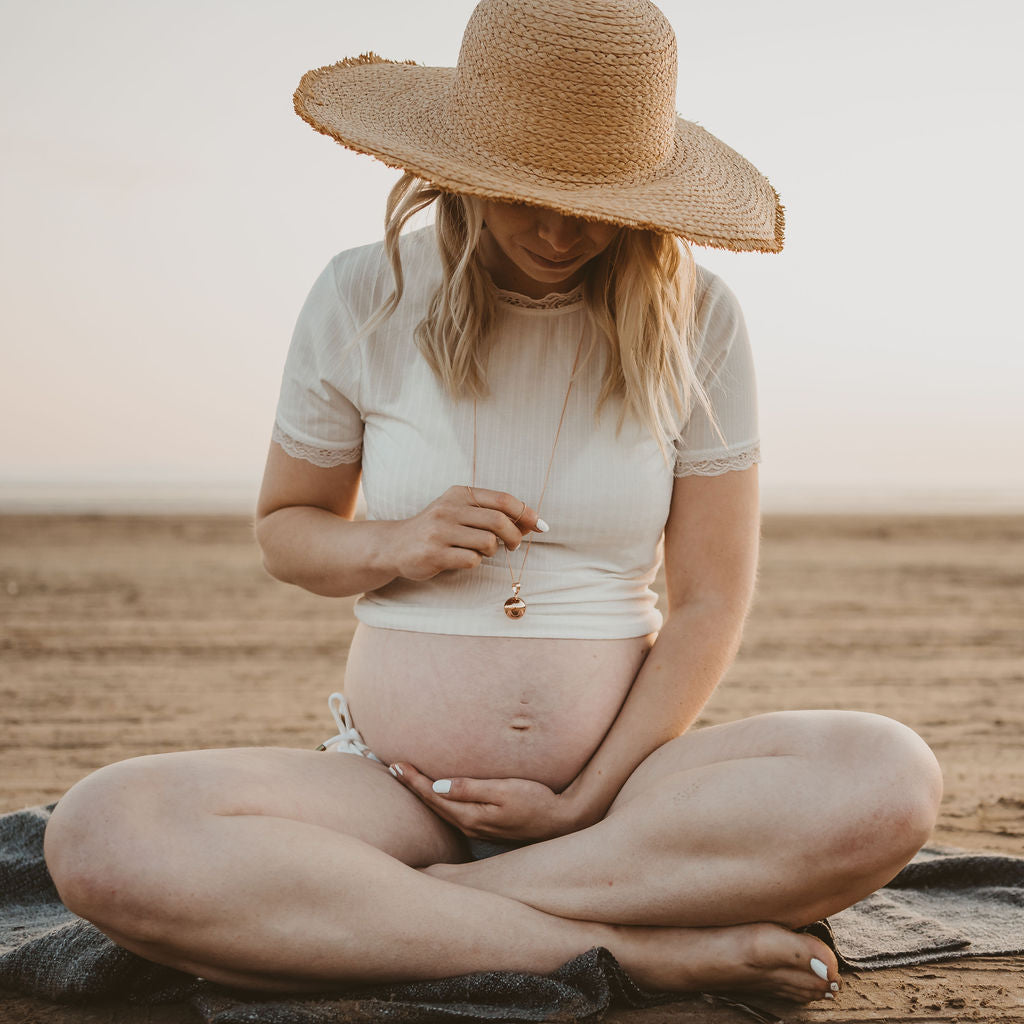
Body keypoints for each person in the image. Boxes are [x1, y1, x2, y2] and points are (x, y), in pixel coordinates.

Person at [42, 0, 942, 1005]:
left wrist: (583, 802)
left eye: (595, 201)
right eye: (530, 194)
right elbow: (286, 534)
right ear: (460, 168)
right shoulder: (362, 295)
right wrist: (397, 541)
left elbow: (707, 602)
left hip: (618, 812)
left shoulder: (699, 319)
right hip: (386, 791)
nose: (562, 229)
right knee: (105, 832)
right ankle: (626, 947)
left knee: (887, 775)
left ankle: (392, 912)